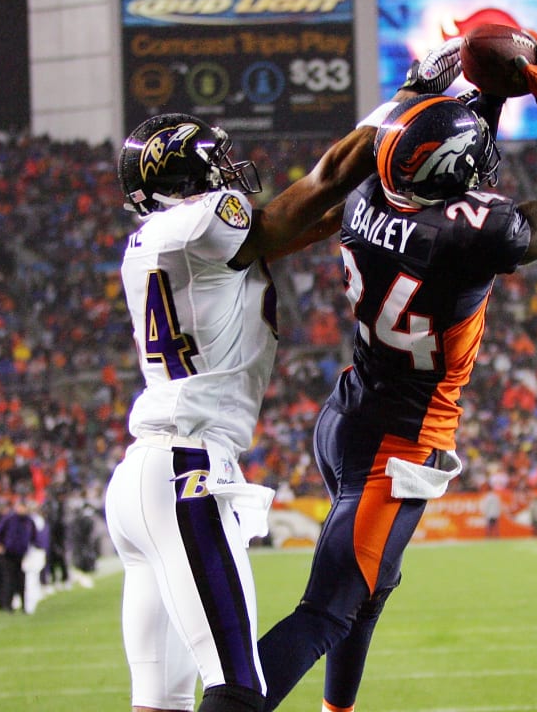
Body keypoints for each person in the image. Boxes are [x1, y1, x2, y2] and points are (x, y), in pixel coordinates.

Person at [102, 43, 460, 712]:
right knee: (240, 688)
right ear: (187, 176)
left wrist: (407, 159)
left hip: (143, 475)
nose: (232, 173)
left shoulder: (161, 239)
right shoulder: (199, 225)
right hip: (186, 467)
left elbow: (327, 217)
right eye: (216, 163)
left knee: (161, 703)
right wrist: (406, 101)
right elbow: (320, 189)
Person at [257, 30, 537, 712]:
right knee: (327, 610)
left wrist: (475, 97)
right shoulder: (475, 235)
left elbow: (446, 165)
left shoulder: (367, 197)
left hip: (347, 415)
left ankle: (336, 710)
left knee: (370, 592)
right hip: (400, 443)